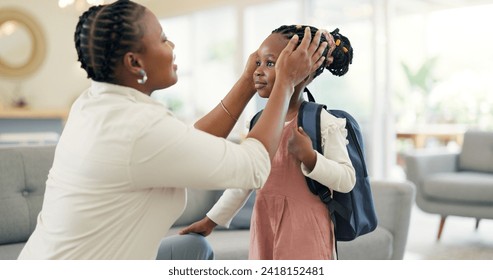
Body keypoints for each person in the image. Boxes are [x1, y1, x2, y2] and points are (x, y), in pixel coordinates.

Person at [17, 1, 328, 260]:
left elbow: (191, 142)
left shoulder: (93, 103)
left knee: (193, 249)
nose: (173, 44)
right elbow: (254, 166)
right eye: (163, 38)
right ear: (134, 62)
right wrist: (284, 83)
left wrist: (249, 79)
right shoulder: (138, 128)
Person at [180, 25, 356, 260]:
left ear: (305, 70)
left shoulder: (322, 121)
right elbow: (244, 180)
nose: (258, 71)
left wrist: (311, 158)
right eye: (258, 62)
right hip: (265, 225)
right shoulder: (259, 123)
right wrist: (211, 221)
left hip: (307, 230)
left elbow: (346, 179)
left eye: (270, 63)